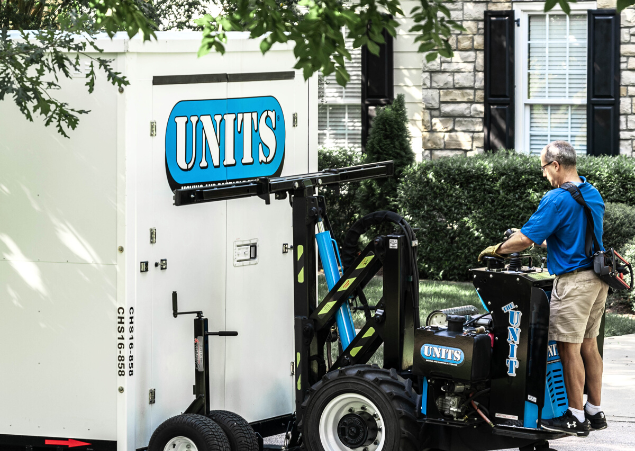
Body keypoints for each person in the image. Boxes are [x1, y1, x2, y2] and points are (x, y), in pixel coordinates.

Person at [478, 141, 608, 437]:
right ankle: (594, 410)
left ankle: (575, 416)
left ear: (556, 165)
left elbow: (523, 239)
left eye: (544, 168)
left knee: (568, 347)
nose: (545, 175)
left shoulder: (557, 198)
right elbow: (576, 237)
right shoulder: (592, 192)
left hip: (574, 283)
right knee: (589, 345)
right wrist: (543, 240)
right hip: (597, 281)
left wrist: (498, 249)